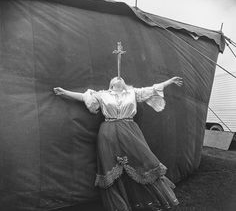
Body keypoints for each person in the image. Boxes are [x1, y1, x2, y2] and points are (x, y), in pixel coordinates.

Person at [53, 76, 183, 211]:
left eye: (120, 77)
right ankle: (120, 205)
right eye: (115, 77)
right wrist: (65, 92)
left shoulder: (133, 93)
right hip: (108, 133)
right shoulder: (102, 94)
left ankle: (151, 199)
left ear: (124, 82)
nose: (118, 77)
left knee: (143, 161)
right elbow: (84, 96)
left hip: (130, 131)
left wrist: (170, 81)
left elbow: (153, 89)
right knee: (111, 166)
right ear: (111, 83)